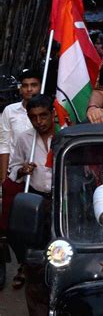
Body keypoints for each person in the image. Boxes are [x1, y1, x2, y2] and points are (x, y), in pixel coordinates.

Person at [9, 94, 54, 315]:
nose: (39, 122)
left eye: (43, 115)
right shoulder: (25, 138)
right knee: (36, 260)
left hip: (63, 202)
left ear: (52, 114)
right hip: (37, 200)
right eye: (34, 117)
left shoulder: (67, 134)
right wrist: (21, 170)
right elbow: (13, 169)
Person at [0, 69, 41, 289]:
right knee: (11, 226)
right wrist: (5, 176)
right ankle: (23, 264)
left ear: (40, 86)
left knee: (37, 223)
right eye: (25, 85)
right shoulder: (10, 111)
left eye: (33, 85)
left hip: (40, 176)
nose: (29, 89)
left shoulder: (49, 110)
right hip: (16, 174)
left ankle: (37, 266)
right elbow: (5, 142)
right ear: (20, 88)